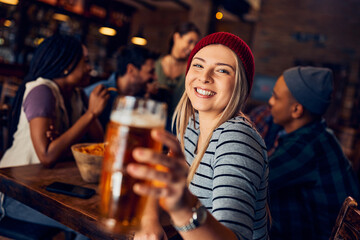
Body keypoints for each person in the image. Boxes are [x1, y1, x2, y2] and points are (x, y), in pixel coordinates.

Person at [127, 32, 269, 240]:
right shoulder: (192, 125)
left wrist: (185, 210)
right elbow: (160, 179)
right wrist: (150, 223)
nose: (204, 77)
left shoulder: (237, 139)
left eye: (222, 70)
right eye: (198, 65)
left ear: (241, 86)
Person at [0, 34, 108, 238]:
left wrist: (90, 114)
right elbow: (47, 156)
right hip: (16, 193)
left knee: (100, 215)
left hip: (49, 188)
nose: (90, 68)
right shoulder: (43, 91)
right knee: (90, 225)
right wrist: (90, 114)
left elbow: (97, 145)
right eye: (85, 61)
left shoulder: (77, 95)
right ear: (67, 65)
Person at [267, 66, 360, 239]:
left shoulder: (306, 145)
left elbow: (252, 179)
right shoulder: (320, 135)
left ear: (296, 110)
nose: (270, 101)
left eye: (276, 97)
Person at [84, 45, 159, 129]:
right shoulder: (94, 95)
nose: (155, 77)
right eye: (151, 72)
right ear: (131, 69)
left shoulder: (142, 97)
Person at [155, 22, 201, 131]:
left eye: (195, 44)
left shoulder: (193, 71)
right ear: (176, 37)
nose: (192, 47)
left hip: (181, 129)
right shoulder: (156, 65)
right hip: (154, 123)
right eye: (190, 41)